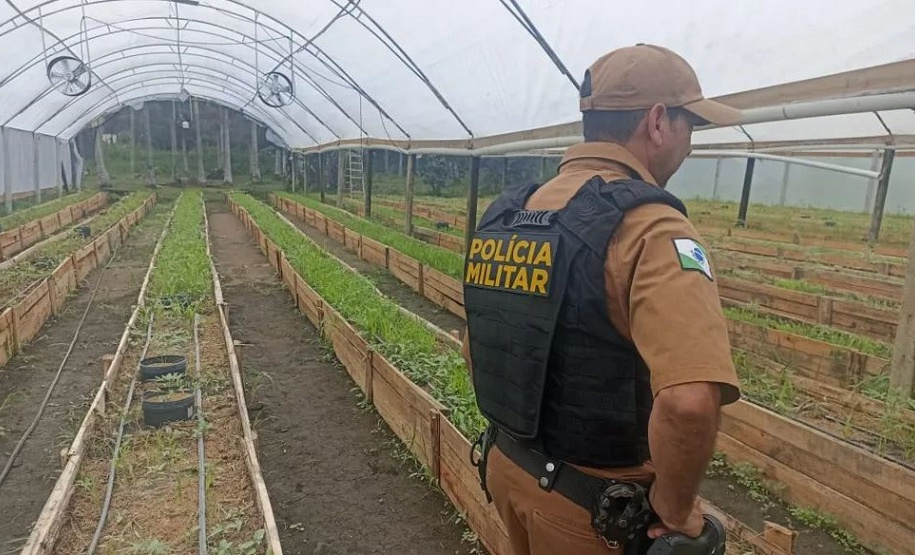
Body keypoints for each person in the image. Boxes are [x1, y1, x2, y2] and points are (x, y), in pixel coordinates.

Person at [460, 44, 743, 555]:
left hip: (507, 466)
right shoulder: (651, 227)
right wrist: (677, 508)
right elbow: (688, 402)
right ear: (657, 122)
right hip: (591, 512)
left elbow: (476, 344)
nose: (690, 144)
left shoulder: (511, 213)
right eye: (690, 127)